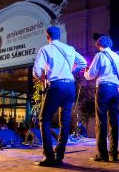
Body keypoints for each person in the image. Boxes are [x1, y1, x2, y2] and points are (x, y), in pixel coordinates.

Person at [33, 26, 87, 166]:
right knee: (66, 121)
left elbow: (36, 70)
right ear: (59, 36)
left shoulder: (45, 49)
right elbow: (83, 63)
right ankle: (59, 155)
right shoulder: (69, 48)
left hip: (56, 85)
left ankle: (49, 157)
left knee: (44, 119)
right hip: (70, 86)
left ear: (47, 36)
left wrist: (43, 80)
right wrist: (71, 71)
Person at [84, 35, 119, 162]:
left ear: (98, 45)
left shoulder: (99, 55)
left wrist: (85, 73)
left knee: (101, 122)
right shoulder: (117, 56)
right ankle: (113, 153)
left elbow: (92, 74)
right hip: (115, 90)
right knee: (114, 122)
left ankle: (102, 154)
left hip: (103, 88)